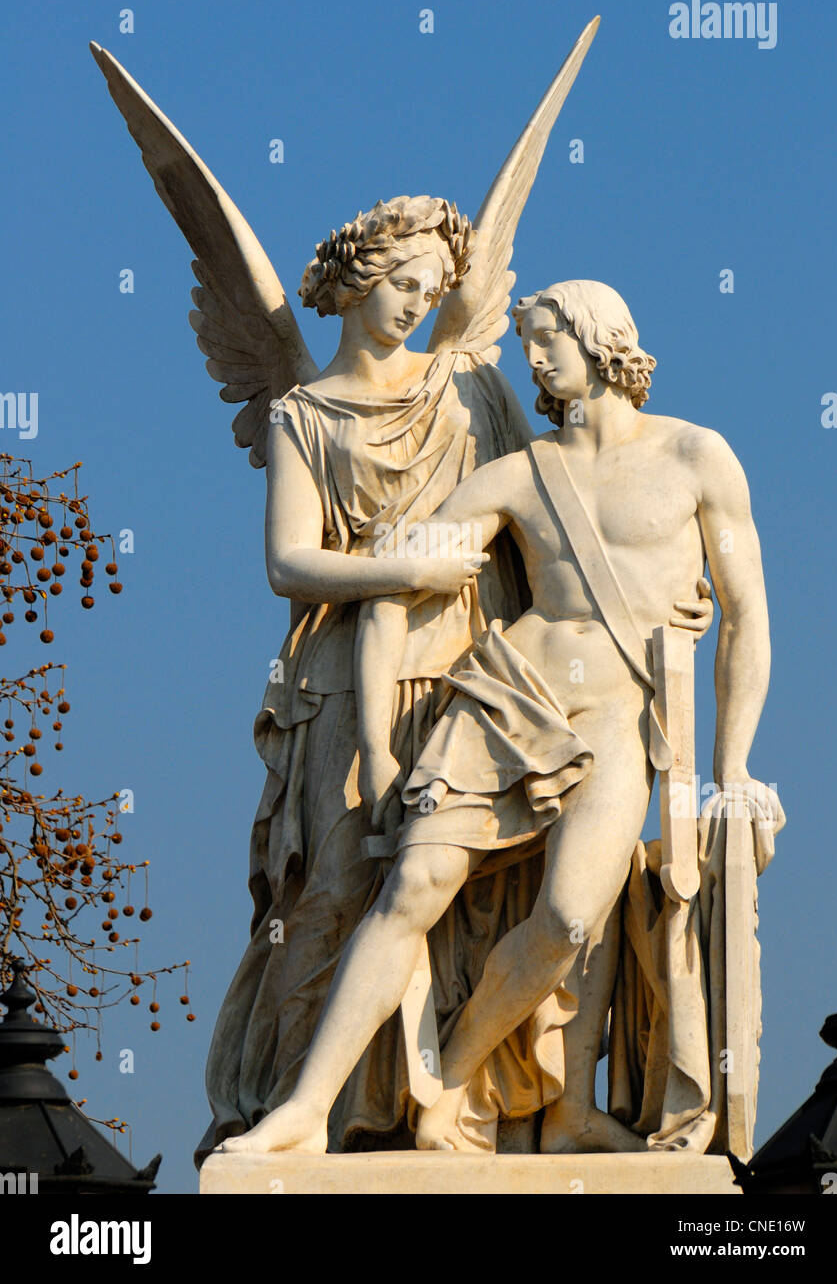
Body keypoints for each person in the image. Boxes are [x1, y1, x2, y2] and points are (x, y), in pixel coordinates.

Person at [217, 278, 768, 1156]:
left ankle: (451, 1082)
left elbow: (745, 619)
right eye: (529, 343)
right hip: (509, 700)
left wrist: (734, 768)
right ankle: (302, 1112)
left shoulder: (696, 457)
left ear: (601, 341)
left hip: (619, 723)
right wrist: (375, 746)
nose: (535, 360)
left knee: (569, 922)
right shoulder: (517, 475)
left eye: (549, 339)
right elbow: (397, 584)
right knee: (410, 891)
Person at [195, 196, 538, 1161]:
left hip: (479, 659)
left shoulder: (471, 390)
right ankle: (294, 1111)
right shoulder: (302, 412)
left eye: (432, 292)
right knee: (336, 885)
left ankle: (450, 1107)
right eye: (400, 286)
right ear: (355, 282)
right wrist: (406, 571)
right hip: (346, 674)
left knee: (465, 884)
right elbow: (289, 564)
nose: (416, 307)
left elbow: (537, 517)